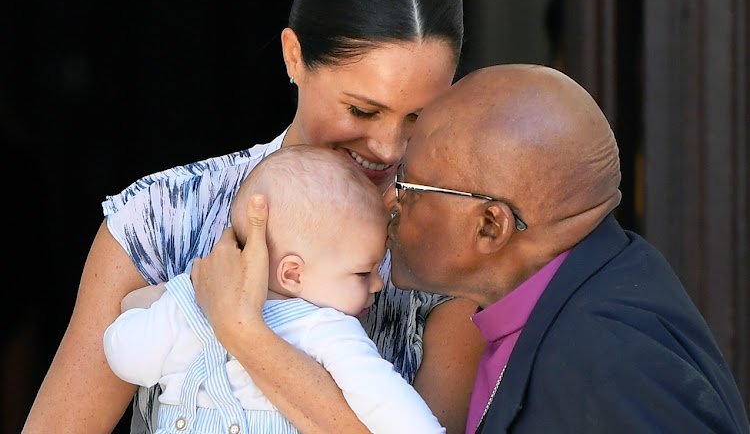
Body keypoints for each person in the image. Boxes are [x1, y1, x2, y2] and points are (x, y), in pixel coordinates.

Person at [23, 0, 485, 433]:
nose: (388, 148)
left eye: (419, 117)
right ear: (294, 56)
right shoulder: (165, 215)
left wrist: (242, 330)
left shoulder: (450, 249)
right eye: (362, 111)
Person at [195, 63, 750, 434]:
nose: (387, 200)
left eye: (408, 185)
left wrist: (244, 335)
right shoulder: (579, 292)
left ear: (490, 226)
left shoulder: (607, 362)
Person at [102, 145, 446, 434]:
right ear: (292, 273)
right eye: (362, 272)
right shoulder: (325, 329)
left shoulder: (191, 304)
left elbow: (126, 358)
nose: (379, 283)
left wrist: (163, 298)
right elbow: (402, 418)